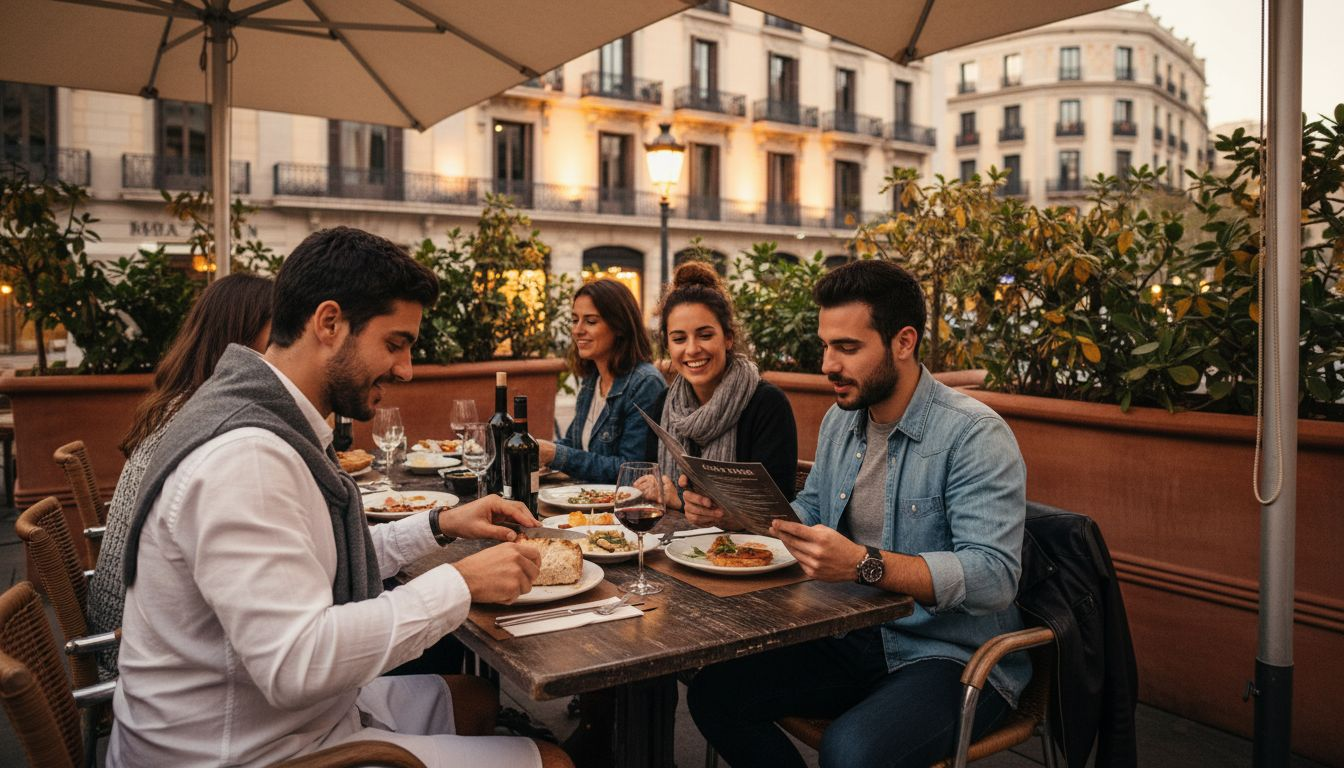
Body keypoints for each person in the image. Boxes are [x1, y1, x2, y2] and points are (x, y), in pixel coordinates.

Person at [110, 227, 570, 768]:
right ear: (329, 323)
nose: (405, 369)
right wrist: (461, 583)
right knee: (552, 762)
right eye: (394, 343)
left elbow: (313, 562)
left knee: (475, 698)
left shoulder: (260, 414)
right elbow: (296, 664)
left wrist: (439, 524)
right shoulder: (247, 458)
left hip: (272, 719)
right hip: (244, 749)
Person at [683, 259, 1030, 768]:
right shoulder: (841, 421)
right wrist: (736, 518)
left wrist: (865, 564)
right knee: (714, 692)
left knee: (850, 754)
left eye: (847, 348)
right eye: (826, 345)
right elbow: (813, 511)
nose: (828, 364)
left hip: (952, 656)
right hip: (853, 633)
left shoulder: (974, 434)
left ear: (903, 342)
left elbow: (995, 576)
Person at [87, 272, 274, 681]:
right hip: (138, 658)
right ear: (240, 338)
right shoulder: (206, 426)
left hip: (129, 632)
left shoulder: (181, 403)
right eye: (278, 334)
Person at [645, 261, 797, 505]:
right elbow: (652, 480)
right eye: (679, 338)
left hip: (745, 543)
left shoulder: (766, 404)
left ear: (728, 338)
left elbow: (776, 505)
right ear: (668, 346)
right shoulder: (664, 404)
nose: (692, 349)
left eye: (705, 335)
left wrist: (680, 500)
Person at [537, 278, 665, 482]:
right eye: (574, 320)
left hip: (621, 509)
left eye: (591, 321)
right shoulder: (593, 379)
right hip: (584, 500)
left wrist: (556, 455)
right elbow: (575, 444)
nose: (577, 330)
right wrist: (537, 450)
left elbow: (632, 470)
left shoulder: (645, 383)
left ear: (619, 327)